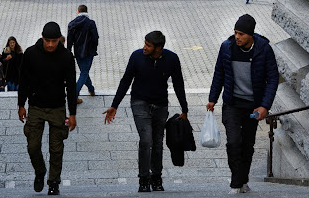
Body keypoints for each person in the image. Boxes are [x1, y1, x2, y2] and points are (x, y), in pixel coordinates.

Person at [104, 31, 189, 193]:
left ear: (159, 48)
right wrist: (114, 105)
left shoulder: (172, 59)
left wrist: (185, 109)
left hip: (161, 105)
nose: (144, 47)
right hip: (139, 102)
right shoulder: (136, 57)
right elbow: (126, 80)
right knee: (146, 139)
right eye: (144, 43)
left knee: (157, 142)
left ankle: (156, 177)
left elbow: (178, 84)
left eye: (148, 45)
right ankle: (143, 179)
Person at [206, 14, 279, 194]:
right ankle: (236, 182)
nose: (237, 37)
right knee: (233, 142)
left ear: (250, 35)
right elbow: (219, 74)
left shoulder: (264, 49)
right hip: (232, 103)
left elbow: (273, 78)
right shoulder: (226, 48)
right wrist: (212, 99)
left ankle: (242, 180)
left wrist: (264, 106)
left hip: (252, 106)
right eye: (236, 33)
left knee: (247, 144)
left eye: (241, 34)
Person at [18, 22, 77, 196]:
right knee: (33, 146)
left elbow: (71, 87)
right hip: (36, 106)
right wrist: (21, 105)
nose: (50, 44)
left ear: (60, 39)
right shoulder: (30, 54)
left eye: (54, 41)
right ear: (42, 38)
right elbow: (24, 81)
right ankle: (40, 170)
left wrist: (72, 113)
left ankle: (54, 182)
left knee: (56, 149)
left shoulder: (67, 57)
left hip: (57, 107)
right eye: (47, 40)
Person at [67, 5, 99, 105]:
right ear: (86, 11)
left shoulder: (72, 23)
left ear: (78, 11)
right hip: (89, 52)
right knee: (84, 73)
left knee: (84, 72)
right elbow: (95, 37)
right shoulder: (91, 23)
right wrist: (94, 48)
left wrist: (69, 51)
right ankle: (74, 96)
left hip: (78, 52)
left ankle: (91, 89)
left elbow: (69, 39)